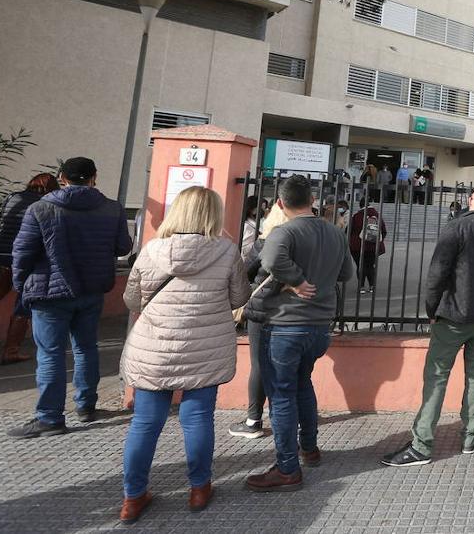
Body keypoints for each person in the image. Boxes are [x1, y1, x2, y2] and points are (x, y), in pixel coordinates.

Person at [118, 186, 250, 523]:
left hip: (154, 348)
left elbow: (132, 301)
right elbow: (238, 298)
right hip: (204, 348)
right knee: (198, 418)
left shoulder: (152, 250)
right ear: (213, 215)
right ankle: (199, 488)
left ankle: (132, 498)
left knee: (145, 424)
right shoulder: (226, 250)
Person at [382, 186, 474, 467]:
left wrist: (431, 310)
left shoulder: (455, 228)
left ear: (470, 202)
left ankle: (422, 446)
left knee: (437, 376)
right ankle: (470, 437)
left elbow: (437, 273)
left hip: (453, 316)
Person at [243, 175, 355, 491]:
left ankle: (287, 468)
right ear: (312, 200)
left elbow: (268, 258)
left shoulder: (285, 231)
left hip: (284, 327)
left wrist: (294, 277)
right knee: (303, 383)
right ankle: (310, 448)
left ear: (280, 203)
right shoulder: (335, 232)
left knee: (281, 395)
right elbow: (347, 273)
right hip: (319, 328)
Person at [7, 157, 132, 438]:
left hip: (49, 292)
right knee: (86, 348)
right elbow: (123, 246)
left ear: (62, 176)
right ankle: (86, 406)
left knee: (51, 353)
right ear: (94, 177)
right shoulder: (112, 209)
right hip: (91, 290)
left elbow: (22, 253)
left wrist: (21, 285)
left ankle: (50, 417)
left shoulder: (41, 208)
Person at [229, 202, 288, 441]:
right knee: (287, 366)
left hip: (262, 311)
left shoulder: (264, 243)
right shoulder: (304, 242)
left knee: (259, 364)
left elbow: (245, 274)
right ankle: (285, 416)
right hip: (293, 313)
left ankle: (253, 420)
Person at [0, 173, 59, 364]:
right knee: (23, 302)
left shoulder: (13, 197)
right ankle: (11, 350)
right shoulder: (46, 205)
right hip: (24, 258)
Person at [349, 199, 386, 294]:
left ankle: (361, 287)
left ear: (360, 206)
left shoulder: (357, 216)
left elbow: (350, 231)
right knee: (370, 266)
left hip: (358, 247)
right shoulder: (377, 215)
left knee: (360, 266)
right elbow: (384, 231)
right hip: (374, 247)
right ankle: (372, 286)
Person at [240, 197, 262, 263]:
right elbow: (243, 249)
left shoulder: (256, 224)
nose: (265, 210)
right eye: (261, 207)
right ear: (253, 210)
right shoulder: (247, 226)